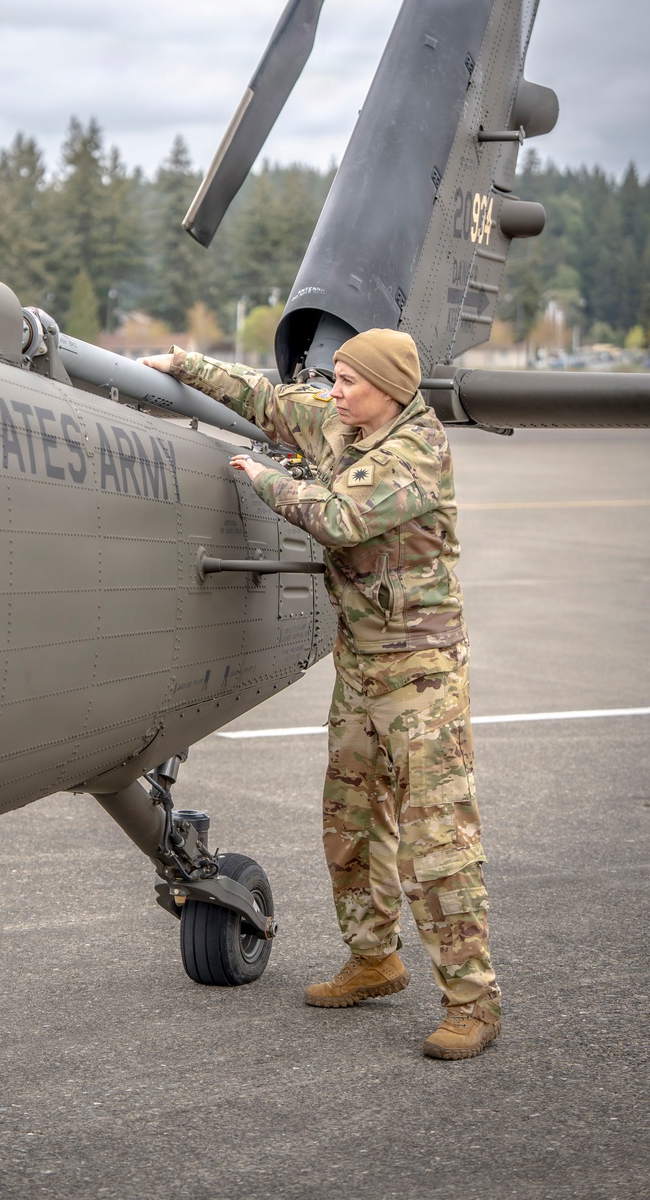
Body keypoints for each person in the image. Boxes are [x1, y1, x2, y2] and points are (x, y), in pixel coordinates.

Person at [141, 328, 501, 1060]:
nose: (333, 394)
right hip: (362, 662)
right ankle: (374, 959)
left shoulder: (414, 454)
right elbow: (267, 399)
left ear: (389, 390)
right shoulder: (343, 419)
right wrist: (182, 364)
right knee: (349, 822)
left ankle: (473, 1003)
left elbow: (339, 519)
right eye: (333, 380)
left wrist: (259, 475)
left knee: (437, 841)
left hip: (421, 671)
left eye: (347, 382)